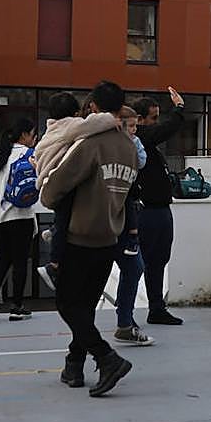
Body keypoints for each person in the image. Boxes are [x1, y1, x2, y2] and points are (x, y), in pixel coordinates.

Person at [39, 109, 140, 396]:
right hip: (109, 238)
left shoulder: (88, 144)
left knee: (68, 305)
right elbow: (130, 195)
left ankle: (106, 358)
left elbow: (56, 190)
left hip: (78, 238)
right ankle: (74, 363)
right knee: (84, 308)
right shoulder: (129, 149)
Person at [88, 83, 155, 347]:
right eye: (130, 127)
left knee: (133, 267)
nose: (134, 133)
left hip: (122, 219)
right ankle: (89, 330)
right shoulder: (99, 146)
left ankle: (124, 322)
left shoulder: (127, 149)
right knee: (99, 273)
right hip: (106, 221)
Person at [32, 92, 118, 291]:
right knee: (66, 220)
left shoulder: (51, 128)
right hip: (58, 183)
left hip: (47, 184)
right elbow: (104, 120)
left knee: (64, 219)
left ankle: (54, 234)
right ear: (74, 112)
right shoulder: (69, 126)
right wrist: (113, 116)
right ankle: (53, 265)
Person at [134, 87, 190, 326]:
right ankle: (135, 311)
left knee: (158, 260)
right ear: (140, 120)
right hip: (148, 211)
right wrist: (178, 109)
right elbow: (164, 130)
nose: (156, 123)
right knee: (144, 262)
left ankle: (157, 307)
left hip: (161, 208)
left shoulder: (150, 147)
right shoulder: (140, 138)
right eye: (153, 117)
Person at [0, 119, 38, 321]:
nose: (34, 138)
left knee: (3, 257)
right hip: (19, 215)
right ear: (23, 136)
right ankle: (16, 305)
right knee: (20, 261)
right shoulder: (29, 154)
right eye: (32, 134)